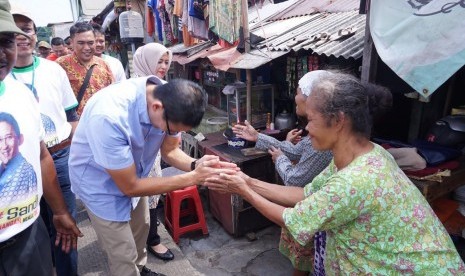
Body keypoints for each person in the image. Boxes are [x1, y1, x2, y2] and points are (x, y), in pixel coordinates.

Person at [205, 72, 465, 274]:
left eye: (312, 120)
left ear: (339, 120)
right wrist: (248, 180)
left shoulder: (356, 178)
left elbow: (293, 220)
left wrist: (243, 190)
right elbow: (306, 194)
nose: (307, 129)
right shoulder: (362, 154)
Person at [68, 77, 238, 276]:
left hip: (137, 176)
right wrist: (194, 177)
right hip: (100, 186)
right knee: (122, 253)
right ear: (157, 107)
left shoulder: (169, 100)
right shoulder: (109, 116)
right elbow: (129, 187)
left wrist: (195, 164)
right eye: (172, 130)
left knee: (141, 230)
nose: (171, 133)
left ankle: (139, 268)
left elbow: (170, 151)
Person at [0, 1, 82, 275]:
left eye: (6, 40)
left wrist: (59, 211)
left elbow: (42, 151)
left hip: (27, 230)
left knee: (62, 236)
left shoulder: (23, 91)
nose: (2, 53)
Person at [232, 70, 332, 275]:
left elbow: (296, 180)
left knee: (304, 260)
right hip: (304, 211)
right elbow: (296, 151)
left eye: (297, 91)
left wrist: (278, 161)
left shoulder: (324, 145)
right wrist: (258, 137)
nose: (308, 131)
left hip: (308, 218)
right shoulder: (319, 134)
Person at [132, 42, 174, 261]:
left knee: (152, 198)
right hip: (132, 157)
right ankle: (147, 243)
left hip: (154, 153)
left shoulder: (165, 88)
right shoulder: (131, 90)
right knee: (139, 198)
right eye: (159, 61)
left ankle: (152, 239)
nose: (164, 66)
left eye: (167, 62)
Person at [57, 21, 113, 116]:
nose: (87, 48)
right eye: (81, 43)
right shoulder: (59, 66)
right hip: (75, 125)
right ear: (71, 42)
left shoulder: (104, 65)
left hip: (102, 121)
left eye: (90, 43)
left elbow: (113, 95)